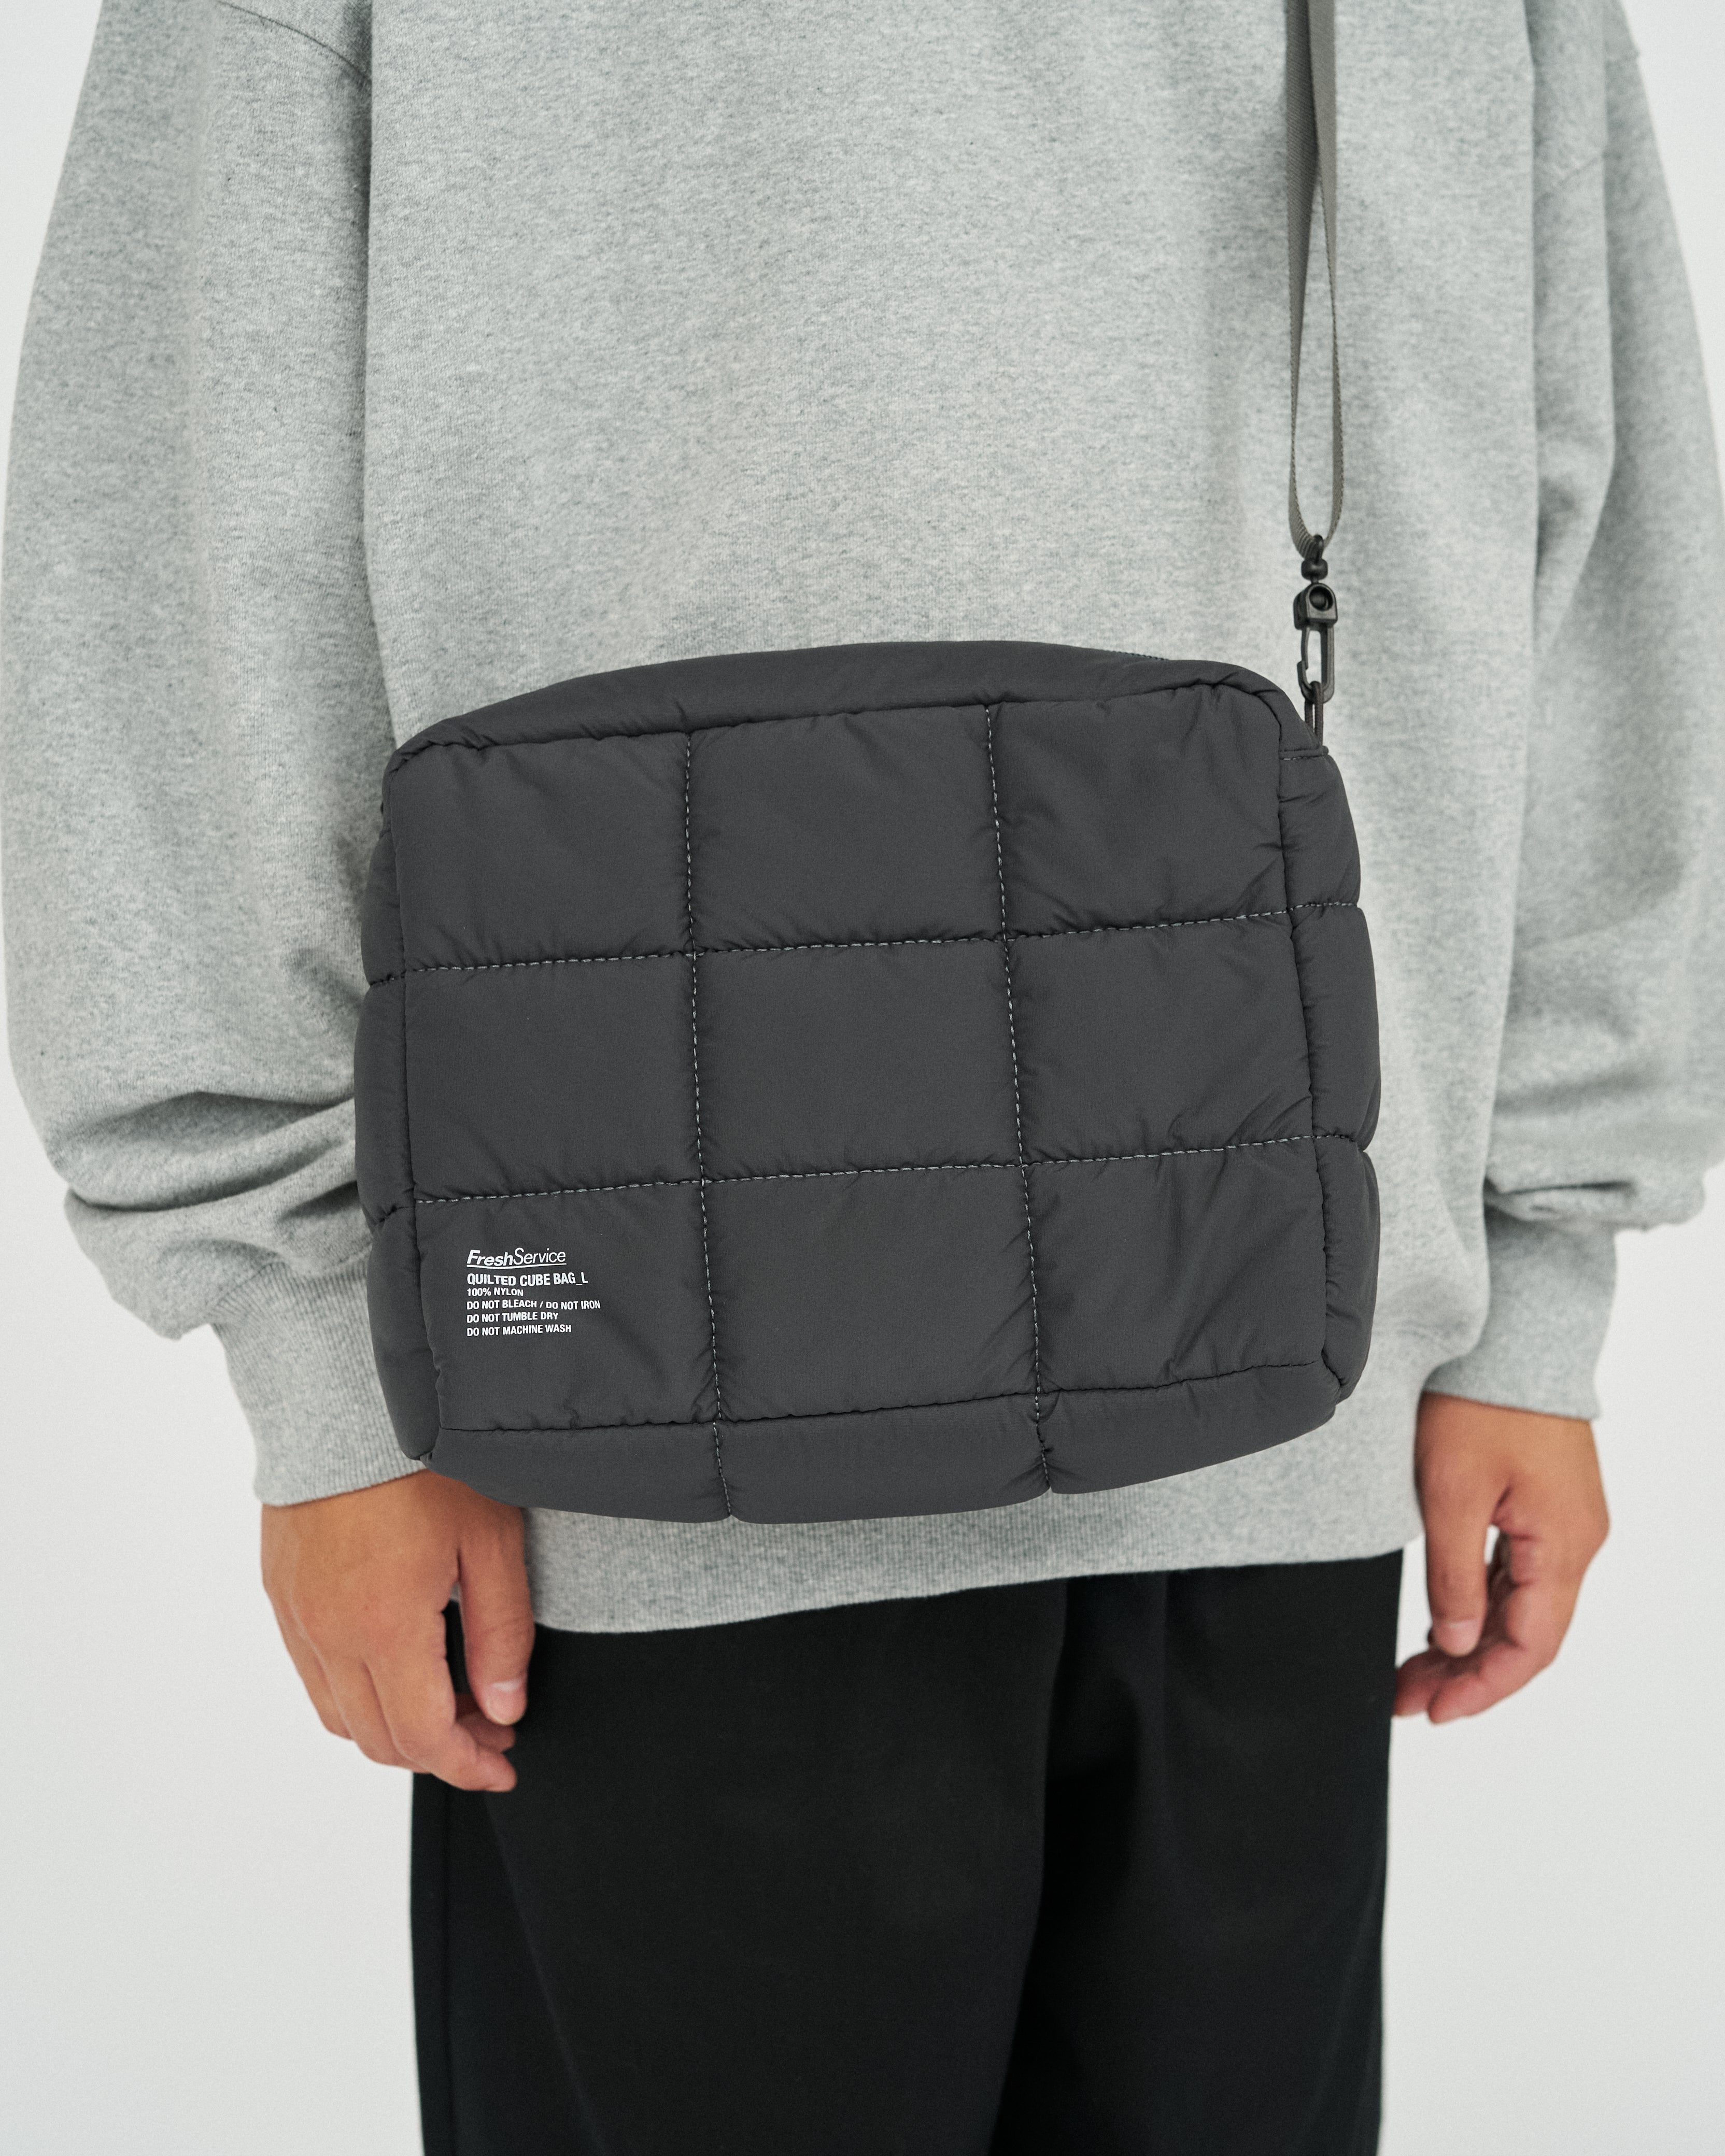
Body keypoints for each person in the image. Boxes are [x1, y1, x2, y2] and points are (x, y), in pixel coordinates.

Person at [3, 2, 1721, 2150]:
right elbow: (178, 510)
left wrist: (1543, 1259)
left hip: (1280, 1360)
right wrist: (313, 1349)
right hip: (639, 1445)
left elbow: (1575, 464)